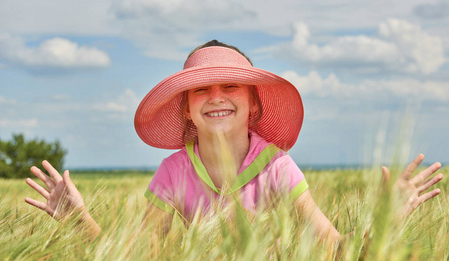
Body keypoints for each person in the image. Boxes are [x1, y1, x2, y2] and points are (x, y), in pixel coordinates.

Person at [25, 40, 443, 244]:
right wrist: (78, 218)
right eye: (201, 89)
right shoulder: (173, 173)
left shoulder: (278, 169)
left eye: (231, 86)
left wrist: (389, 219)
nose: (216, 97)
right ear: (186, 108)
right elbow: (138, 257)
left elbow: (339, 255)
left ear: (254, 105)